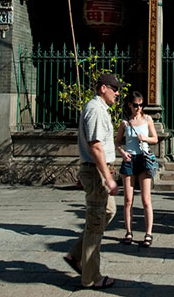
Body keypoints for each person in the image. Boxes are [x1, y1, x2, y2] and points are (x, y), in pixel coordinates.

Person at [64, 73, 122, 290]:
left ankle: (76, 255)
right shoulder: (95, 110)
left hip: (99, 170)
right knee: (96, 221)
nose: (117, 93)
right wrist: (108, 177)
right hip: (96, 172)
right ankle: (91, 277)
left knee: (108, 211)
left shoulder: (99, 109)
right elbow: (96, 146)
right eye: (114, 89)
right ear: (102, 88)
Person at [115, 90, 158, 247]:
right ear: (129, 105)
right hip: (129, 159)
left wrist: (144, 138)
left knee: (146, 199)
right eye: (135, 105)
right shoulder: (125, 122)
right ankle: (128, 231)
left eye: (141, 105)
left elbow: (155, 138)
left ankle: (148, 233)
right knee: (128, 200)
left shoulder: (147, 119)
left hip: (143, 159)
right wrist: (122, 152)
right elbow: (117, 142)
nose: (138, 108)